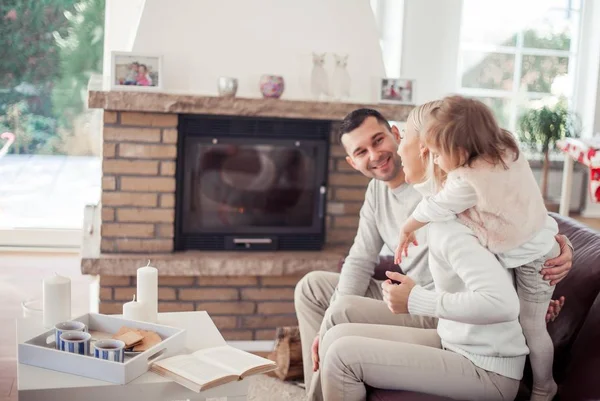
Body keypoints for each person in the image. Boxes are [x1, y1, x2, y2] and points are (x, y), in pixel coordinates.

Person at [295, 108, 572, 401]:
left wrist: (549, 264)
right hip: (434, 308)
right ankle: (320, 385)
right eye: (362, 151)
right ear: (352, 162)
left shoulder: (448, 204)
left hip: (441, 312)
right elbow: (360, 258)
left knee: (339, 335)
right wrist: (323, 332)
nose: (376, 155)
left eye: (380, 141)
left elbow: (513, 224)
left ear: (412, 142)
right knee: (316, 294)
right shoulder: (386, 192)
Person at [395, 96, 560, 401]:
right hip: (538, 244)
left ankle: (544, 386)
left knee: (533, 326)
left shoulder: (467, 181)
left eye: (435, 152)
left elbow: (437, 206)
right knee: (531, 321)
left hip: (535, 260)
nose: (431, 157)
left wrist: (407, 227)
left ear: (459, 151)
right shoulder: (505, 148)